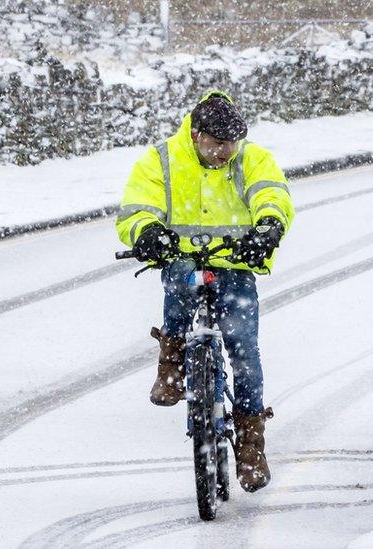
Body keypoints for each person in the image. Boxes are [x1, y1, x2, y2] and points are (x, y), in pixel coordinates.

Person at [115, 91, 294, 492]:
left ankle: (251, 444)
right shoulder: (161, 159)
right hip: (183, 259)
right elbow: (136, 206)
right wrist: (146, 232)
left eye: (232, 144)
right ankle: (173, 363)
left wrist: (267, 227)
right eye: (218, 144)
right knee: (178, 276)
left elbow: (273, 195)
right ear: (196, 136)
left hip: (235, 265)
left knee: (244, 349)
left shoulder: (252, 159)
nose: (226, 153)